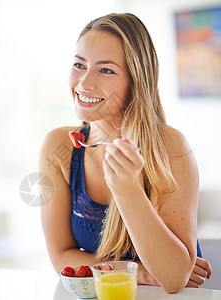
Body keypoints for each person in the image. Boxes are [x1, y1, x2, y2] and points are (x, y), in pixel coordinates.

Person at [39, 13, 212, 293]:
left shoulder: (170, 147)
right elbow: (61, 259)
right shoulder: (59, 146)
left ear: (136, 79)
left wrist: (127, 189)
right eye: (79, 64)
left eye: (105, 70)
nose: (83, 83)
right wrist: (139, 272)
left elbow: (172, 278)